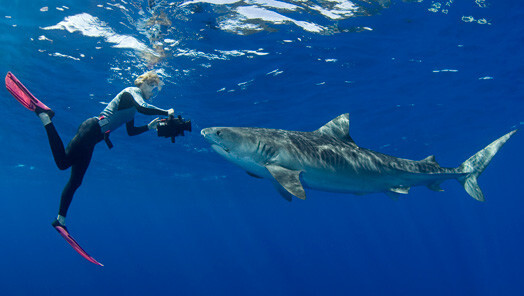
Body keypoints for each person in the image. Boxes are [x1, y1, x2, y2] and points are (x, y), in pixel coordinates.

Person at [34, 71, 174, 229]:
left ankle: (60, 220)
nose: (153, 92)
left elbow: (131, 131)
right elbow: (144, 108)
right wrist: (166, 112)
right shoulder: (132, 92)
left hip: (94, 138)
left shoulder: (134, 106)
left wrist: (149, 126)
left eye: (155, 89)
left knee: (76, 181)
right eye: (151, 87)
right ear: (142, 83)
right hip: (91, 128)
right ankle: (46, 118)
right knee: (62, 163)